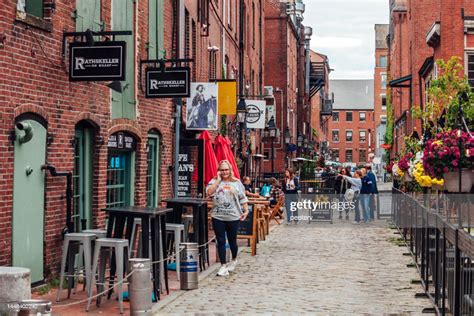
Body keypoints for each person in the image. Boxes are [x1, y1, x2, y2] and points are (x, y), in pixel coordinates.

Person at [206, 160, 249, 276]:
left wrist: (246, 210)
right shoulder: (214, 182)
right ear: (219, 171)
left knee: (232, 241)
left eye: (226, 169)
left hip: (233, 215)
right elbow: (209, 192)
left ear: (230, 170)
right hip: (218, 215)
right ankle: (223, 265)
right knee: (220, 241)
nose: (224, 172)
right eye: (222, 170)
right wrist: (218, 181)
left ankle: (234, 259)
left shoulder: (237, 183)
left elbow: (242, 198)